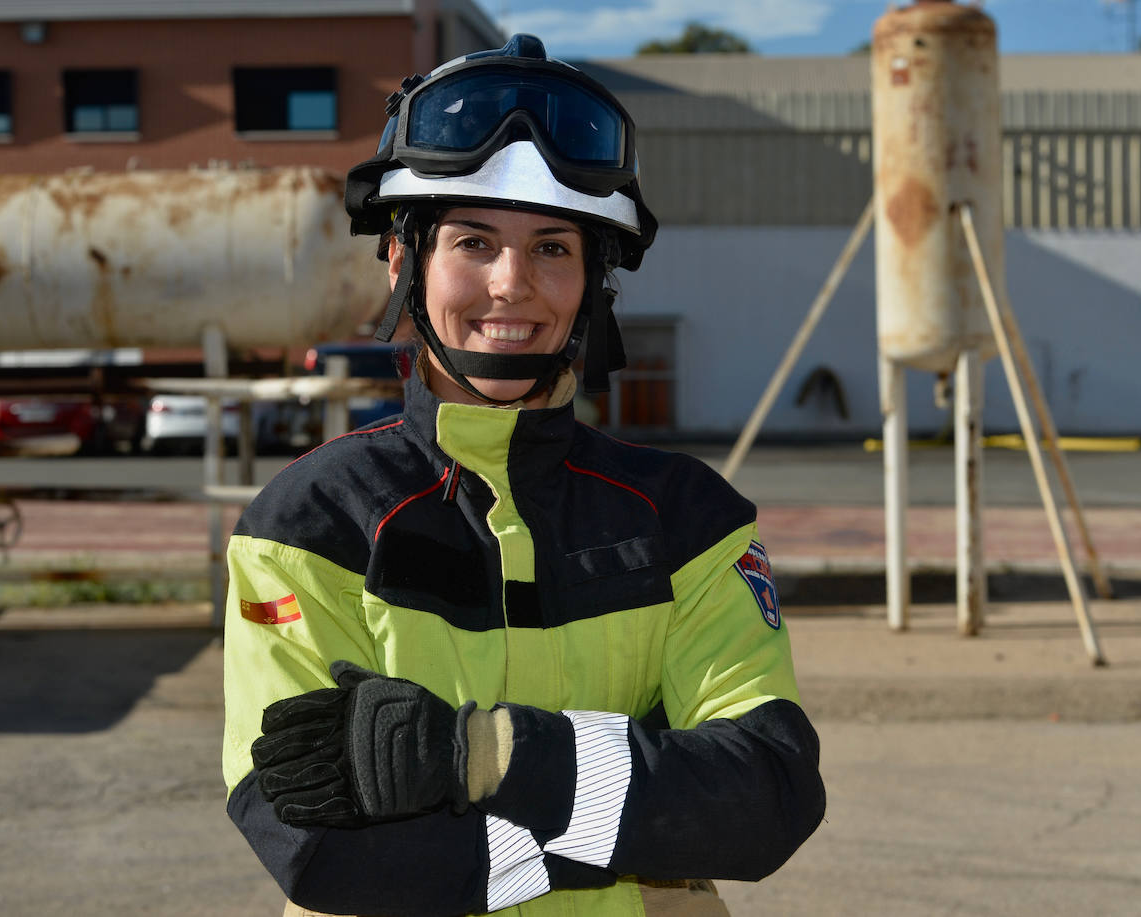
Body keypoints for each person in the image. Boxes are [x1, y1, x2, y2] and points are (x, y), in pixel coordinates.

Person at [222, 34, 825, 917]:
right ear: (404, 261)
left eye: (552, 248)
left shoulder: (689, 517)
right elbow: (316, 850)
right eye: (472, 240)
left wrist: (487, 758)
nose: (513, 285)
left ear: (594, 284)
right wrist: (634, 820)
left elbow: (767, 794)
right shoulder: (309, 521)